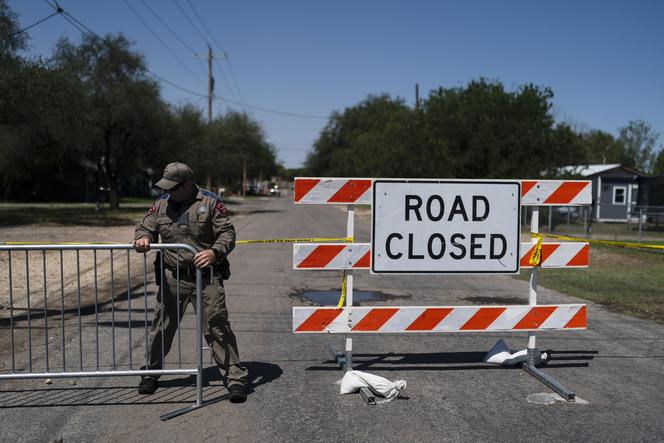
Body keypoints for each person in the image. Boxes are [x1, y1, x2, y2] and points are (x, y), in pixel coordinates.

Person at [132, 162, 248, 402]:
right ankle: (151, 373)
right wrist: (143, 238)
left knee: (217, 328)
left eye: (173, 187)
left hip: (206, 278)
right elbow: (146, 227)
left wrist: (214, 252)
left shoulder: (210, 202)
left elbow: (227, 233)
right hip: (172, 278)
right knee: (161, 327)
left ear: (187, 184)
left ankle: (235, 379)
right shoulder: (161, 204)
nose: (169, 192)